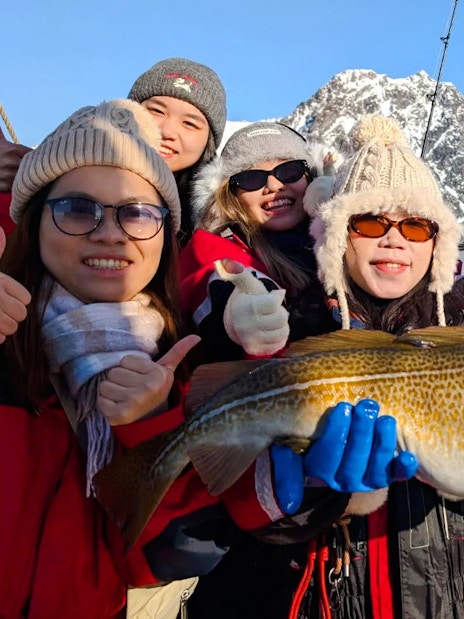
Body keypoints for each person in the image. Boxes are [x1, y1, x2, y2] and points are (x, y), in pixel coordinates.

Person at [189, 114, 464, 619]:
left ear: (437, 241)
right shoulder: (290, 329)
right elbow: (235, 507)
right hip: (321, 597)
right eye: (369, 222)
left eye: (416, 224)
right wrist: (314, 498)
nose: (394, 240)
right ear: (338, 234)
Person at [0, 97, 215, 619]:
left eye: (138, 213)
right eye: (77, 208)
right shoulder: (7, 348)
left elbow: (169, 557)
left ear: (165, 234)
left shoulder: (185, 362)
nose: (110, 231)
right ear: (33, 221)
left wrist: (151, 427)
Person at [0, 57, 227, 244]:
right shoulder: (57, 180)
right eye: (156, 111)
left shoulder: (221, 220)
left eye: (190, 124)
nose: (167, 131)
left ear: (208, 143)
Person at [180, 121, 337, 362]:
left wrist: (338, 214)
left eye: (289, 171)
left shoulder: (348, 240)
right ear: (230, 195)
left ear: (312, 179)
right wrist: (238, 313)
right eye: (251, 178)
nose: (274, 186)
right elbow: (215, 284)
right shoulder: (213, 249)